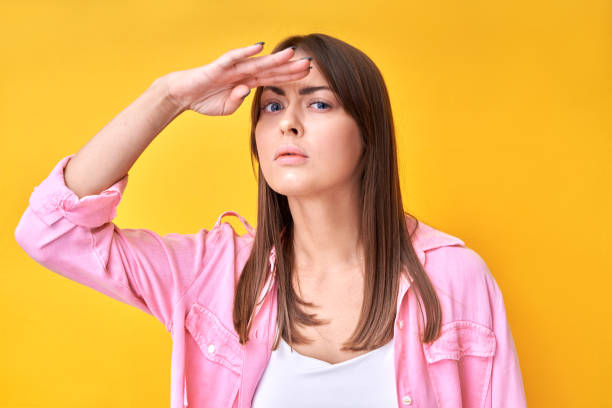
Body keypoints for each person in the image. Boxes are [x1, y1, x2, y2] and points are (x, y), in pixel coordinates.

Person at [15, 33, 527, 407]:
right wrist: (170, 97)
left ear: (368, 134)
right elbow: (51, 231)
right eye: (273, 106)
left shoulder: (456, 280)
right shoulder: (214, 275)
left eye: (319, 103)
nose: (289, 123)